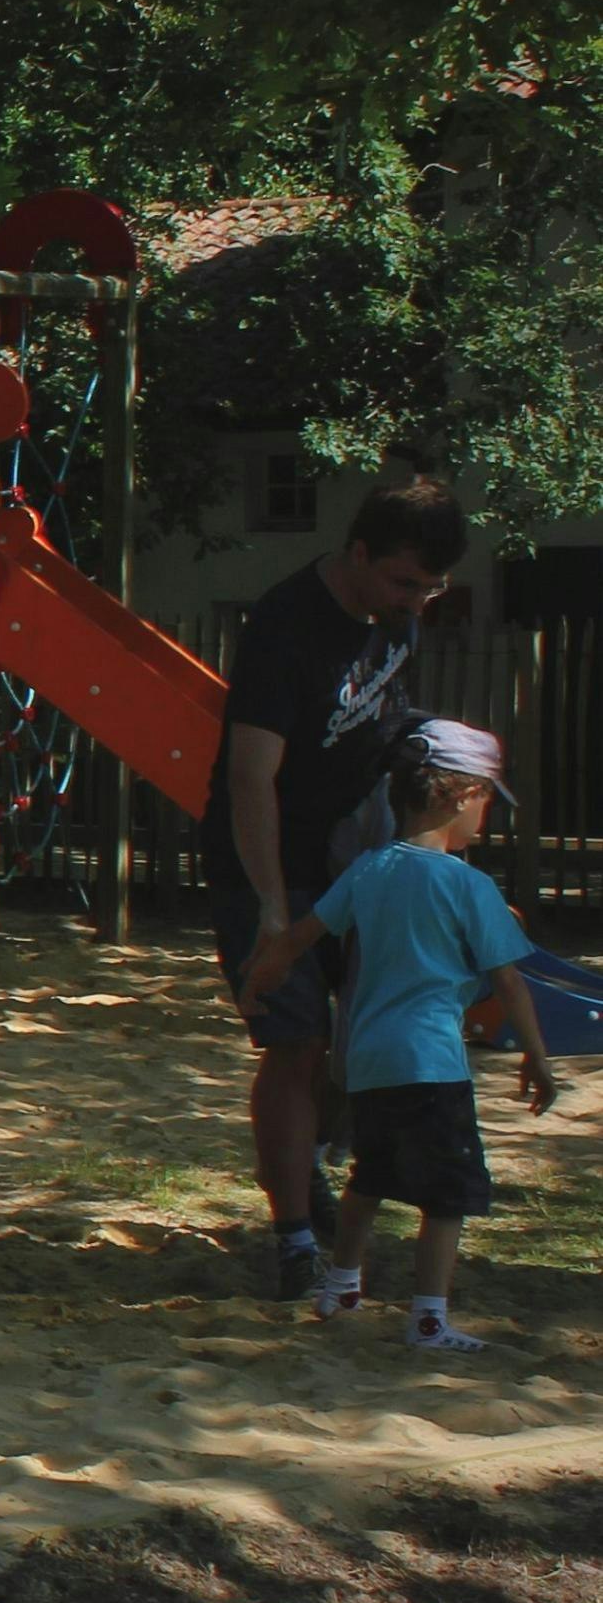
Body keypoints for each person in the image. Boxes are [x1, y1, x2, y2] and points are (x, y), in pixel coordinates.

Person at [215, 481, 467, 1297]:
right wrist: (271, 906)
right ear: (358, 552)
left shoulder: (395, 612)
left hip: (356, 850)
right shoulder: (285, 627)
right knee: (295, 1042)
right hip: (270, 854)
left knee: (365, 1038)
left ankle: (308, 1169)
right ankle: (292, 1237)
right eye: (404, 583)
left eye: (430, 588)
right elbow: (251, 778)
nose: (416, 603)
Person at [243, 721, 555, 1352]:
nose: (485, 817)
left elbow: (300, 938)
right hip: (433, 1063)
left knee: (370, 1176)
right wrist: (538, 1057)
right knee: (448, 1194)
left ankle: (341, 1284)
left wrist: (258, 982)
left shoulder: (369, 868)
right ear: (455, 795)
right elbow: (512, 983)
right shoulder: (468, 884)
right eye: (485, 800)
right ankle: (430, 1318)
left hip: (369, 1059)